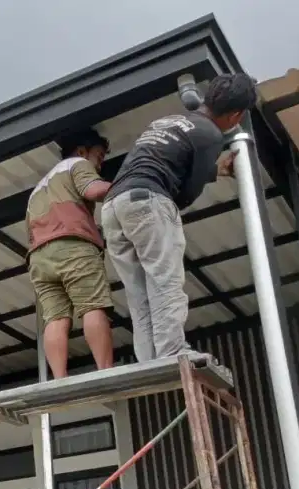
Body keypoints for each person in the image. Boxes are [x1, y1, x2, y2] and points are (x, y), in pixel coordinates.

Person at [100, 73, 258, 362]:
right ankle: (172, 352)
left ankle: (149, 360)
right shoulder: (210, 135)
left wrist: (216, 170)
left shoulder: (169, 121)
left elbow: (165, 160)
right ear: (237, 115)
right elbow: (186, 194)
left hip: (114, 205)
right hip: (149, 199)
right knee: (165, 281)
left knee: (139, 293)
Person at [26, 129, 114, 379]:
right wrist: (130, 183)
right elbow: (93, 190)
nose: (100, 163)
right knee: (92, 306)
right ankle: (105, 372)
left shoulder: (37, 189)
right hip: (72, 245)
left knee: (55, 318)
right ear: (82, 151)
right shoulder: (78, 164)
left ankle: (60, 378)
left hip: (39, 257)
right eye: (99, 156)